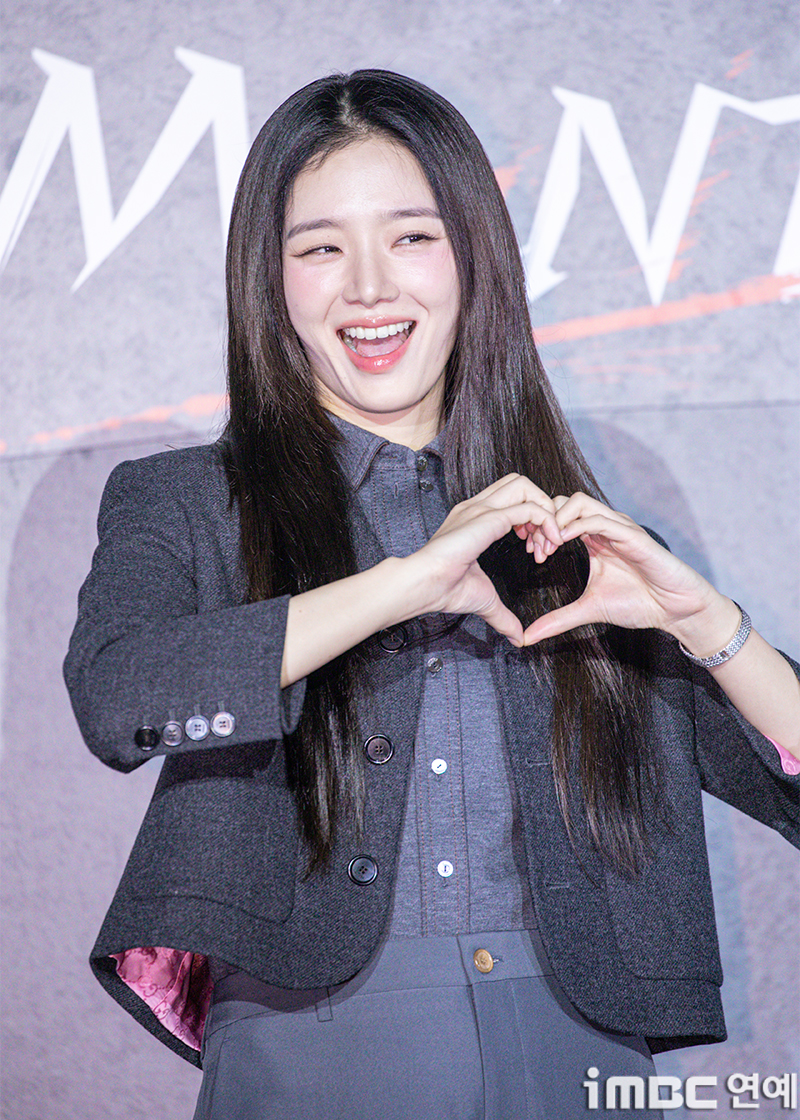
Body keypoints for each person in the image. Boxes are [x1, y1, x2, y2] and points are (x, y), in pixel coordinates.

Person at [64, 70, 800, 1120]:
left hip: (577, 1042)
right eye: (321, 248)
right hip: (307, 1035)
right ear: (270, 281)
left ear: (472, 258)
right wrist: (407, 581)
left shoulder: (582, 543)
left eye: (411, 237)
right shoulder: (185, 500)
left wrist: (707, 625)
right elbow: (117, 697)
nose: (369, 287)